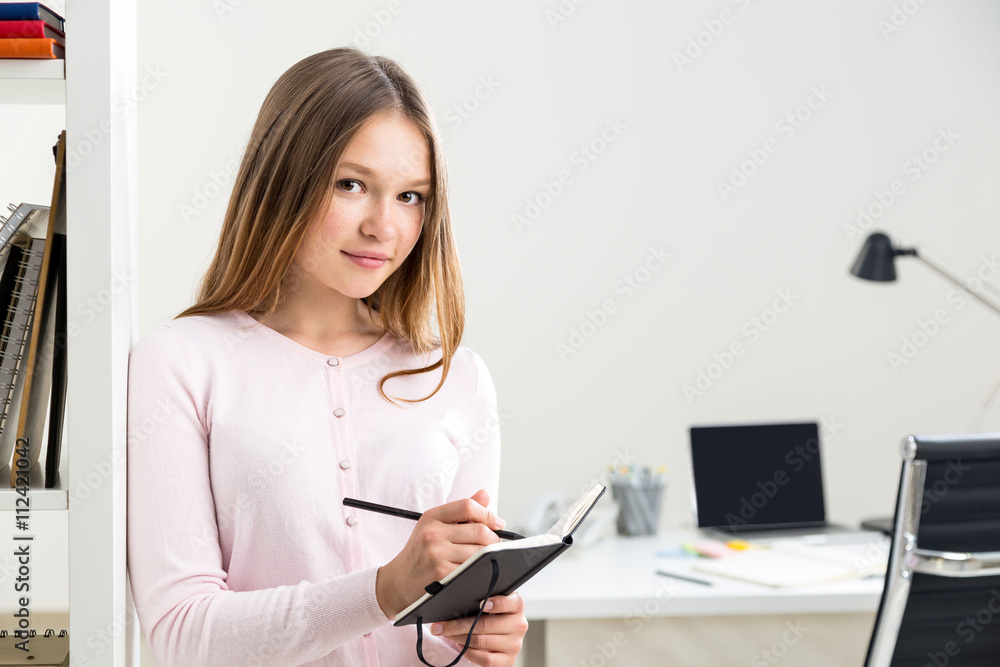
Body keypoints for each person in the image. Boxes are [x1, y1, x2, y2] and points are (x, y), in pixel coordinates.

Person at [126, 47, 527, 667]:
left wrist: (484, 641)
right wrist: (384, 590)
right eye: (351, 185)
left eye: (410, 196)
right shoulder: (181, 363)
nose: (383, 227)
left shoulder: (457, 379)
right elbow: (183, 635)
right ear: (282, 178)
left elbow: (453, 622)